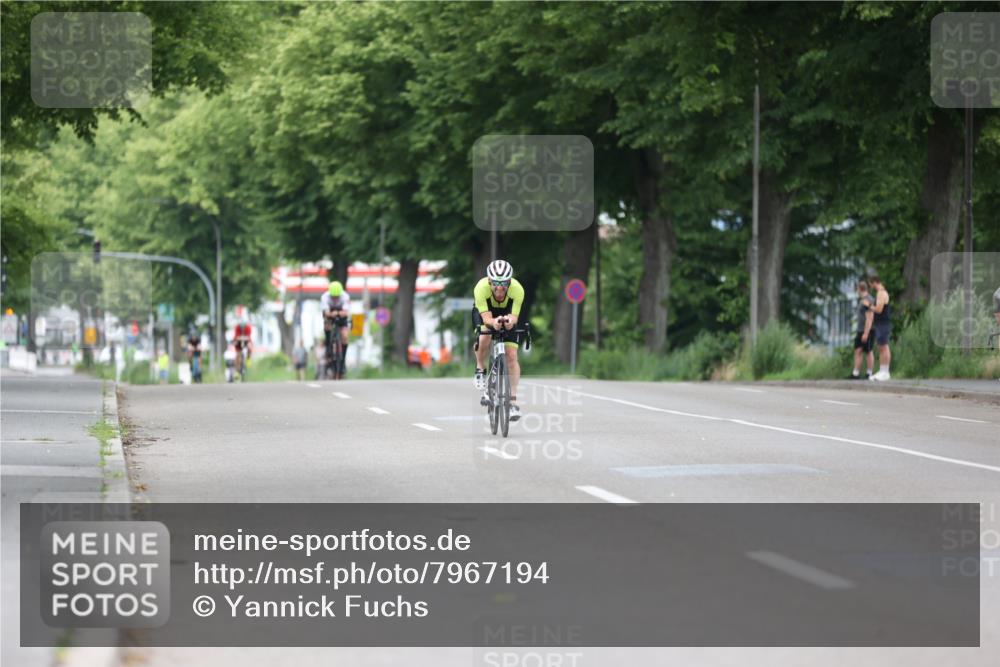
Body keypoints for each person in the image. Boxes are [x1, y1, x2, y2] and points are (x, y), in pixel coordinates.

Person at [473, 259, 526, 421]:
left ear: (509, 281)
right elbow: (487, 318)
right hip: (486, 313)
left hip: (507, 313)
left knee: (511, 356)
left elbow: (514, 316)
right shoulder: (481, 288)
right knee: (484, 337)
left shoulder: (517, 290)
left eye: (504, 283)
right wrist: (493, 323)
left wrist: (509, 322)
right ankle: (480, 368)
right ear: (489, 280)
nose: (500, 287)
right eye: (496, 282)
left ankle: (512, 402)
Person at [320, 281, 351, 377]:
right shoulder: (325, 297)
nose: (335, 298)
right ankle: (329, 345)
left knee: (345, 336)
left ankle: (342, 360)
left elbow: (346, 312)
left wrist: (340, 313)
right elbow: (326, 312)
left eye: (337, 296)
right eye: (333, 296)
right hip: (330, 313)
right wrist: (330, 314)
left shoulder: (345, 296)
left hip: (341, 314)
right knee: (327, 325)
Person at [848, 281, 875, 379]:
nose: (857, 291)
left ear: (860, 289)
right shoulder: (862, 300)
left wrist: (866, 333)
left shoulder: (868, 300)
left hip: (868, 330)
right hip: (860, 330)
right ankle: (856, 373)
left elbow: (870, 318)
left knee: (868, 351)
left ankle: (869, 373)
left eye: (857, 289)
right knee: (858, 350)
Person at [868, 275, 892, 381]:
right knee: (880, 347)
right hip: (880, 323)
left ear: (874, 282)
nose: (871, 286)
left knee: (884, 346)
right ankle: (882, 370)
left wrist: (869, 306)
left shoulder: (881, 293)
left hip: (883, 323)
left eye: (871, 284)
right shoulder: (880, 293)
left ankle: (885, 372)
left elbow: (879, 309)